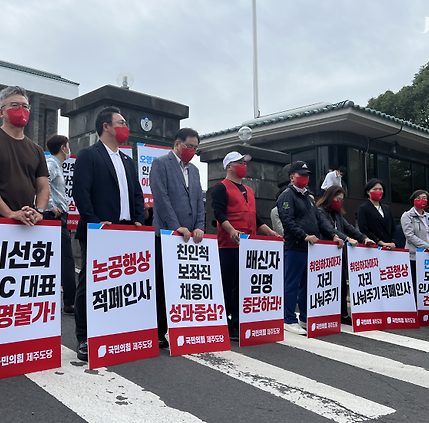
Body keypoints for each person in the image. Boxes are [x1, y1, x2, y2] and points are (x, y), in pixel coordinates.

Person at [72, 106, 145, 361]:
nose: (125, 127)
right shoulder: (89, 155)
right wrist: (95, 223)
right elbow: (80, 192)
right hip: (99, 230)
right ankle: (83, 337)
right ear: (106, 126)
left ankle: (114, 331)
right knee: (90, 284)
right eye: (121, 122)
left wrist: (138, 220)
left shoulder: (127, 160)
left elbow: (137, 193)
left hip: (126, 231)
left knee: (121, 284)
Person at [212, 151, 280, 341]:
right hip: (229, 244)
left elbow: (255, 217)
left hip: (250, 245)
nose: (243, 165)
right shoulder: (221, 188)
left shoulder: (249, 190)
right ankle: (224, 322)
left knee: (243, 285)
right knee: (228, 284)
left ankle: (238, 320)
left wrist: (269, 231)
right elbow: (219, 213)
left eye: (244, 162)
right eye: (239, 162)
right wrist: (231, 230)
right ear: (229, 166)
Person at [150, 128, 205, 348]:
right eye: (189, 146)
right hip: (166, 234)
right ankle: (157, 330)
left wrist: (199, 226)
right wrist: (176, 227)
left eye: (195, 148)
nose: (192, 151)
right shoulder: (161, 164)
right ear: (177, 144)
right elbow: (161, 198)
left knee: (185, 284)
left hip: (191, 237)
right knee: (163, 283)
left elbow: (200, 201)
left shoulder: (194, 170)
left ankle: (183, 328)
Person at [277, 161, 343, 336]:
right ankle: (288, 319)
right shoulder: (287, 196)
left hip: (311, 248)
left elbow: (320, 222)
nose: (305, 179)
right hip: (296, 246)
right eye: (301, 175)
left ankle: (305, 317)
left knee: (306, 285)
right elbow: (287, 221)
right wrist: (304, 235)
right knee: (291, 283)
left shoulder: (308, 198)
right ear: (292, 177)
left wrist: (334, 235)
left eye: (307, 176)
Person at [0, 85, 49, 225]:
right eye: (15, 105)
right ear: (1, 112)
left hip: (27, 222)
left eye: (25, 106)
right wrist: (9, 213)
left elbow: (43, 187)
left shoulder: (36, 150)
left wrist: (40, 211)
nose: (21, 109)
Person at [316, 185, 375, 324]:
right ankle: (326, 312)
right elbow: (328, 229)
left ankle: (343, 313)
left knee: (342, 283)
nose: (339, 202)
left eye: (341, 200)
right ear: (330, 198)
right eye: (337, 199)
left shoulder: (337, 214)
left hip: (339, 253)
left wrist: (364, 239)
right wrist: (347, 239)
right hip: (325, 254)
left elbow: (349, 228)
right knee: (327, 284)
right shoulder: (320, 212)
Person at [44, 135, 76, 315]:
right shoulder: (52, 163)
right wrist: (50, 206)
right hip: (54, 216)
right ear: (63, 147)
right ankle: (70, 302)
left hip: (57, 216)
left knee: (58, 259)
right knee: (66, 259)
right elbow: (42, 181)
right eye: (68, 146)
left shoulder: (57, 165)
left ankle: (67, 300)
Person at [401, 190, 429, 291]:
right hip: (414, 256)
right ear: (413, 200)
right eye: (418, 198)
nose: (421, 200)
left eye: (424, 198)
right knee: (416, 286)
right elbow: (410, 235)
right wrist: (428, 247)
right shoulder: (407, 216)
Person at [357, 179, 397, 250]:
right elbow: (364, 229)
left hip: (389, 247)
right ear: (368, 192)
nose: (378, 191)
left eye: (380, 189)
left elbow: (393, 228)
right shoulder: (363, 208)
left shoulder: (387, 208)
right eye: (375, 189)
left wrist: (393, 242)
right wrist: (380, 242)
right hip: (373, 247)